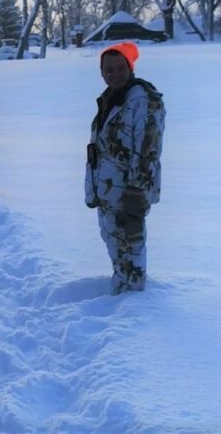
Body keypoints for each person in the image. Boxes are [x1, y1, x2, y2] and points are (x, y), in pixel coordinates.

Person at [85, 42, 166, 294]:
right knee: (115, 247)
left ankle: (134, 304)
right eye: (108, 69)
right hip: (108, 190)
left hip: (128, 193)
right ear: (101, 71)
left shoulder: (143, 100)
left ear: (130, 68)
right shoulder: (112, 98)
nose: (114, 74)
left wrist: (137, 192)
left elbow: (148, 150)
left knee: (131, 251)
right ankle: (121, 292)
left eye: (120, 68)